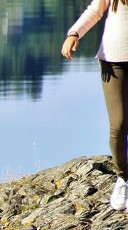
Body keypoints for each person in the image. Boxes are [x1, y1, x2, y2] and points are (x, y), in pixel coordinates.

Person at [64, 1, 128, 210]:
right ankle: (123, 178)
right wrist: (74, 33)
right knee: (118, 124)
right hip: (114, 60)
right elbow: (95, 10)